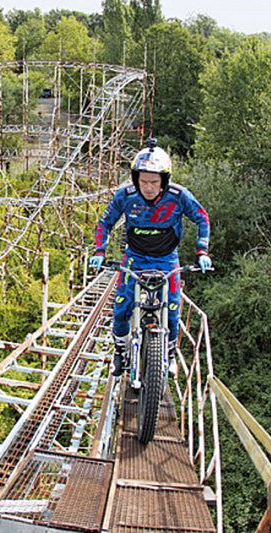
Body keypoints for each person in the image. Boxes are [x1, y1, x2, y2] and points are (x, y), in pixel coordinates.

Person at [89, 138, 211, 377]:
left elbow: (202, 218)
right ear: (136, 179)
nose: (148, 187)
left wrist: (202, 251)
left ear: (164, 180)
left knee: (173, 308)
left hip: (167, 259)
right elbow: (105, 222)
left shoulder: (179, 196)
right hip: (134, 258)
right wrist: (99, 251)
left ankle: (170, 354)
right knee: (122, 306)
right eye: (143, 181)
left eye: (154, 182)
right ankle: (120, 352)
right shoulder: (126, 196)